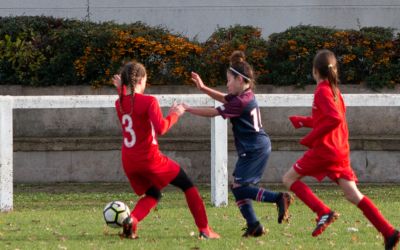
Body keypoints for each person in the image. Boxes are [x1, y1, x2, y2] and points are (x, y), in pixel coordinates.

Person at [282, 49, 399, 249]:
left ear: (315, 71)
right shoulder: (334, 90)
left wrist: (311, 138)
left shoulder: (321, 91)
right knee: (353, 195)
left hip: (326, 150)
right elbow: (328, 119)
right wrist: (303, 122)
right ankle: (389, 232)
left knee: (288, 179)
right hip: (339, 150)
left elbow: (334, 120)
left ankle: (323, 212)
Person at [183, 51, 293, 237]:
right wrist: (203, 88)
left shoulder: (241, 102)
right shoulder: (245, 95)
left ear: (240, 80)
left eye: (229, 80)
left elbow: (214, 112)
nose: (227, 84)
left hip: (254, 148)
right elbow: (225, 99)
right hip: (257, 146)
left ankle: (278, 198)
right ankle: (254, 225)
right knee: (238, 188)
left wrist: (188, 109)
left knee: (240, 188)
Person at [112, 60, 220, 239]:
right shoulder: (149, 101)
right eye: (146, 80)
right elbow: (161, 128)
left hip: (129, 161)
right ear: (140, 81)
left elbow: (128, 103)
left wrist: (121, 90)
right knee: (187, 185)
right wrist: (175, 114)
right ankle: (205, 229)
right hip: (149, 158)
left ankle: (132, 220)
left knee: (153, 193)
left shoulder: (120, 102)